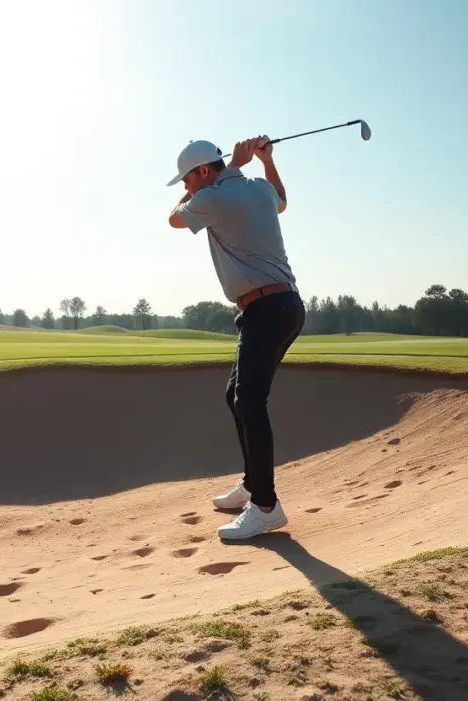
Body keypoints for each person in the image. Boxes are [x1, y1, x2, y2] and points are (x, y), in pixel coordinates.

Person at [166, 135, 306, 540]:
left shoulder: (210, 198)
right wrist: (265, 162)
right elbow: (280, 198)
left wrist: (224, 175)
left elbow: (174, 220)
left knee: (249, 401)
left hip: (265, 310)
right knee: (237, 396)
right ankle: (252, 484)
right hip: (284, 308)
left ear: (205, 171)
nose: (186, 189)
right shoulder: (258, 188)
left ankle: (265, 506)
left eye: (187, 180)